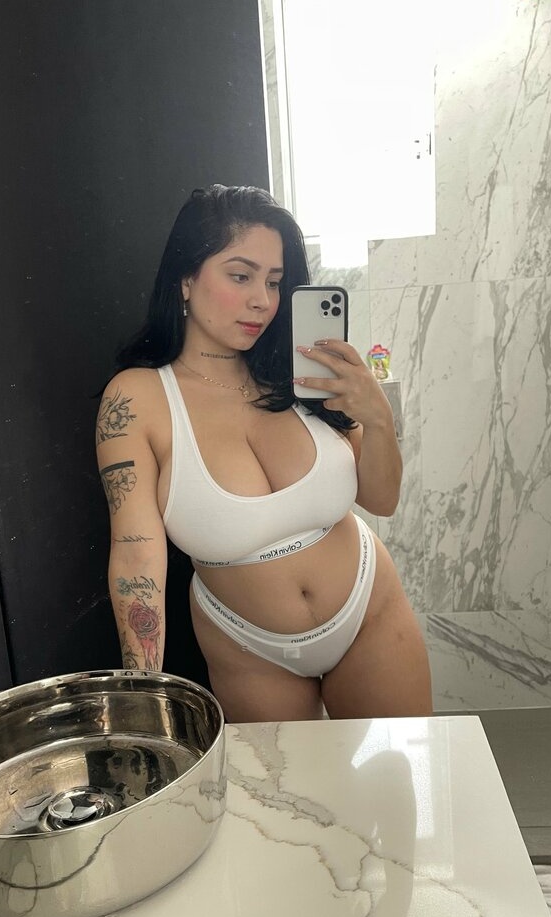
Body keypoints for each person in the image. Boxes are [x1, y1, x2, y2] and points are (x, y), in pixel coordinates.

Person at [96, 185, 432, 722]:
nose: (263, 300)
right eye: (241, 276)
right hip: (247, 644)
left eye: (274, 282)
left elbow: (382, 500)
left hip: (369, 608)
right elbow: (136, 557)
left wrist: (378, 419)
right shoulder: (137, 398)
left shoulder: (303, 373)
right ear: (186, 278)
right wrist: (147, 696)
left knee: (401, 778)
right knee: (289, 782)